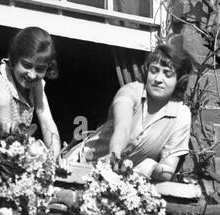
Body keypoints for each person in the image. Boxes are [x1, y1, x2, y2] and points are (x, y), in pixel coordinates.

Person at [65, 42, 192, 183]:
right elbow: (122, 128)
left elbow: (168, 168)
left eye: (167, 74)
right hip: (81, 167)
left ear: (179, 80)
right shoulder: (131, 91)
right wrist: (114, 156)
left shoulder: (181, 115)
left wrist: (149, 166)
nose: (158, 79)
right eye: (154, 71)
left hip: (123, 184)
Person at [0, 26, 61, 159]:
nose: (32, 75)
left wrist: (54, 159)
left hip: (12, 160)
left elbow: (46, 119)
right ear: (14, 59)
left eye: (40, 69)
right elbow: (3, 114)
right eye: (26, 65)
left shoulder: (36, 84)